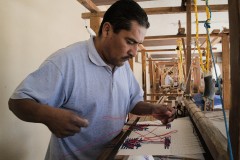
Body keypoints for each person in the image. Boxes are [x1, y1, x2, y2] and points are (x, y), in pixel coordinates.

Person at [8, 0, 176, 159]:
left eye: (138, 44)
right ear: (107, 30)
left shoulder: (123, 65)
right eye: (130, 41)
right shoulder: (67, 62)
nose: (134, 52)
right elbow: (18, 101)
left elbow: (132, 102)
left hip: (111, 155)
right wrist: (49, 115)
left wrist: (152, 109)